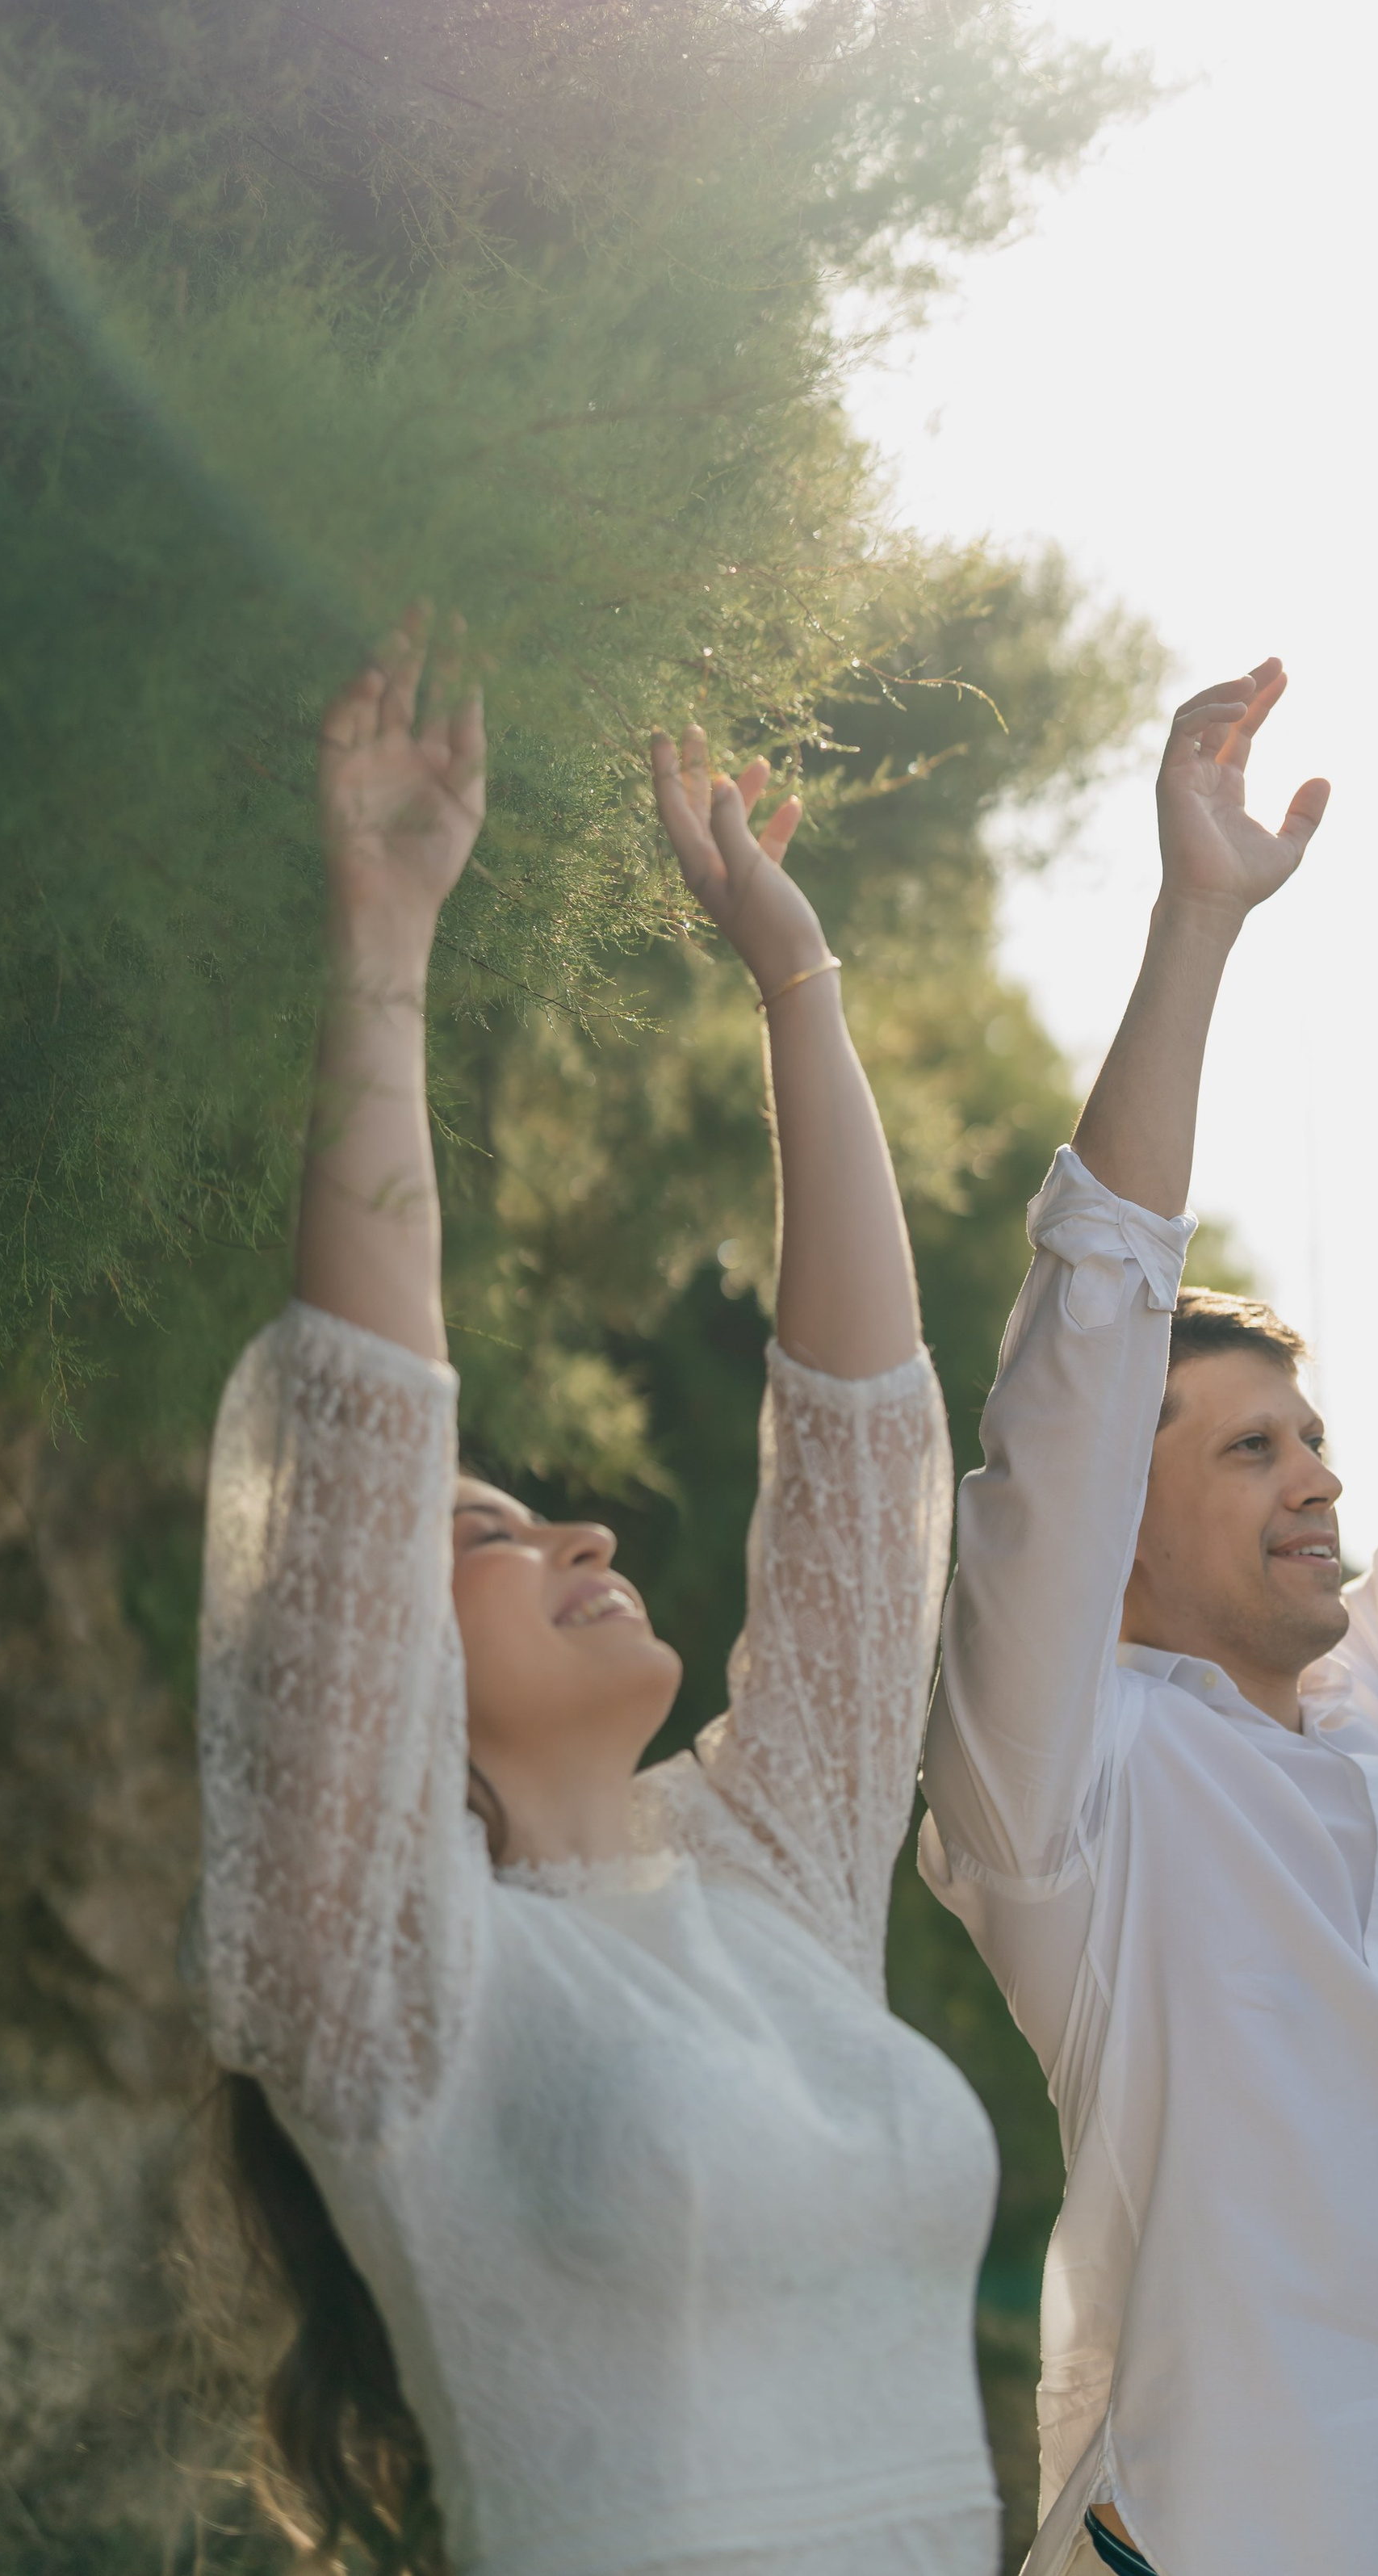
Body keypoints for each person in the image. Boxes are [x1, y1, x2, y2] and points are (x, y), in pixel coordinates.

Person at [196, 619, 1001, 2575]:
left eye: (547, 1515)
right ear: (359, 1656)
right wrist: (382, 944)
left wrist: (797, 982)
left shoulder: (770, 1880)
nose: (577, 1537)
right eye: (482, 1531)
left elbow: (863, 1464)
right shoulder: (388, 1974)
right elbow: (363, 1405)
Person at [919, 658, 1378, 2576]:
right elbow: (1072, 1367)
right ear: (1119, 1541)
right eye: (1247, 1449)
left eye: (1311, 1437)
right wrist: (1193, 923)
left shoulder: (1374, 1727)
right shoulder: (1067, 1802)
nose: (1318, 1476)